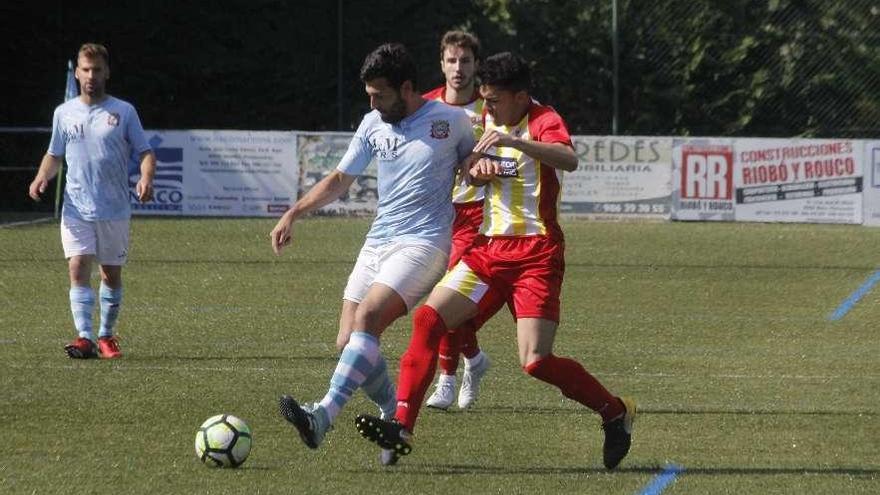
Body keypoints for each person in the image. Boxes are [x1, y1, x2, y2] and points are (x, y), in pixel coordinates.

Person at [356, 52, 637, 470]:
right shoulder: (481, 122)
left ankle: (616, 413)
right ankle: (401, 427)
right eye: (484, 100)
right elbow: (466, 169)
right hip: (489, 250)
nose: (487, 108)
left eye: (495, 101)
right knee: (429, 319)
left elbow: (569, 159)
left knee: (536, 361)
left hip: (537, 254)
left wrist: (514, 141)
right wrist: (474, 170)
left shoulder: (542, 119)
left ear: (522, 96)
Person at [269, 43, 475, 453]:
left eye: (380, 94)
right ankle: (392, 420)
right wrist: (293, 212)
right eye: (369, 95)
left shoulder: (451, 121)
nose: (374, 102)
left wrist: (481, 170)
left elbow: (473, 166)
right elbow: (341, 179)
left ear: (407, 87)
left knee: (368, 317)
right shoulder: (372, 123)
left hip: (424, 242)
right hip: (377, 241)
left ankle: (322, 415)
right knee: (349, 343)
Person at [28, 43, 156, 359]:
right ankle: (84, 337)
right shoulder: (64, 113)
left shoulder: (123, 111)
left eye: (97, 69)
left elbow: (145, 152)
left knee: (110, 274)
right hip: (76, 207)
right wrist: (42, 175)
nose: (90, 75)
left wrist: (146, 178)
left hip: (113, 208)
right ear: (77, 73)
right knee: (77, 265)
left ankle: (106, 336)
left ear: (106, 73)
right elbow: (54, 154)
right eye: (85, 69)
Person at [421, 30, 492, 411]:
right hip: (434, 216)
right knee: (447, 300)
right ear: (442, 64)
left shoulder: (491, 108)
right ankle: (475, 361)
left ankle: (446, 380)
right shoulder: (428, 106)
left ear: (476, 66)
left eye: (466, 61)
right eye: (452, 60)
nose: (458, 69)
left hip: (477, 218)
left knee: (448, 292)